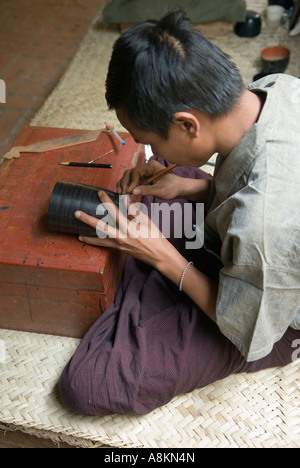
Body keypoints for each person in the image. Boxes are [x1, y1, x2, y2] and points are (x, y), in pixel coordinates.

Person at [59, 11, 300, 416]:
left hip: (272, 312)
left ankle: (148, 283)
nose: (152, 154)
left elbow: (247, 328)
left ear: (187, 124)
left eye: (150, 142)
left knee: (90, 382)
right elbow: (252, 183)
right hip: (266, 235)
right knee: (159, 195)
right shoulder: (278, 88)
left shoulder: (262, 221)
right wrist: (191, 185)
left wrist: (161, 257)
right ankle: (150, 278)